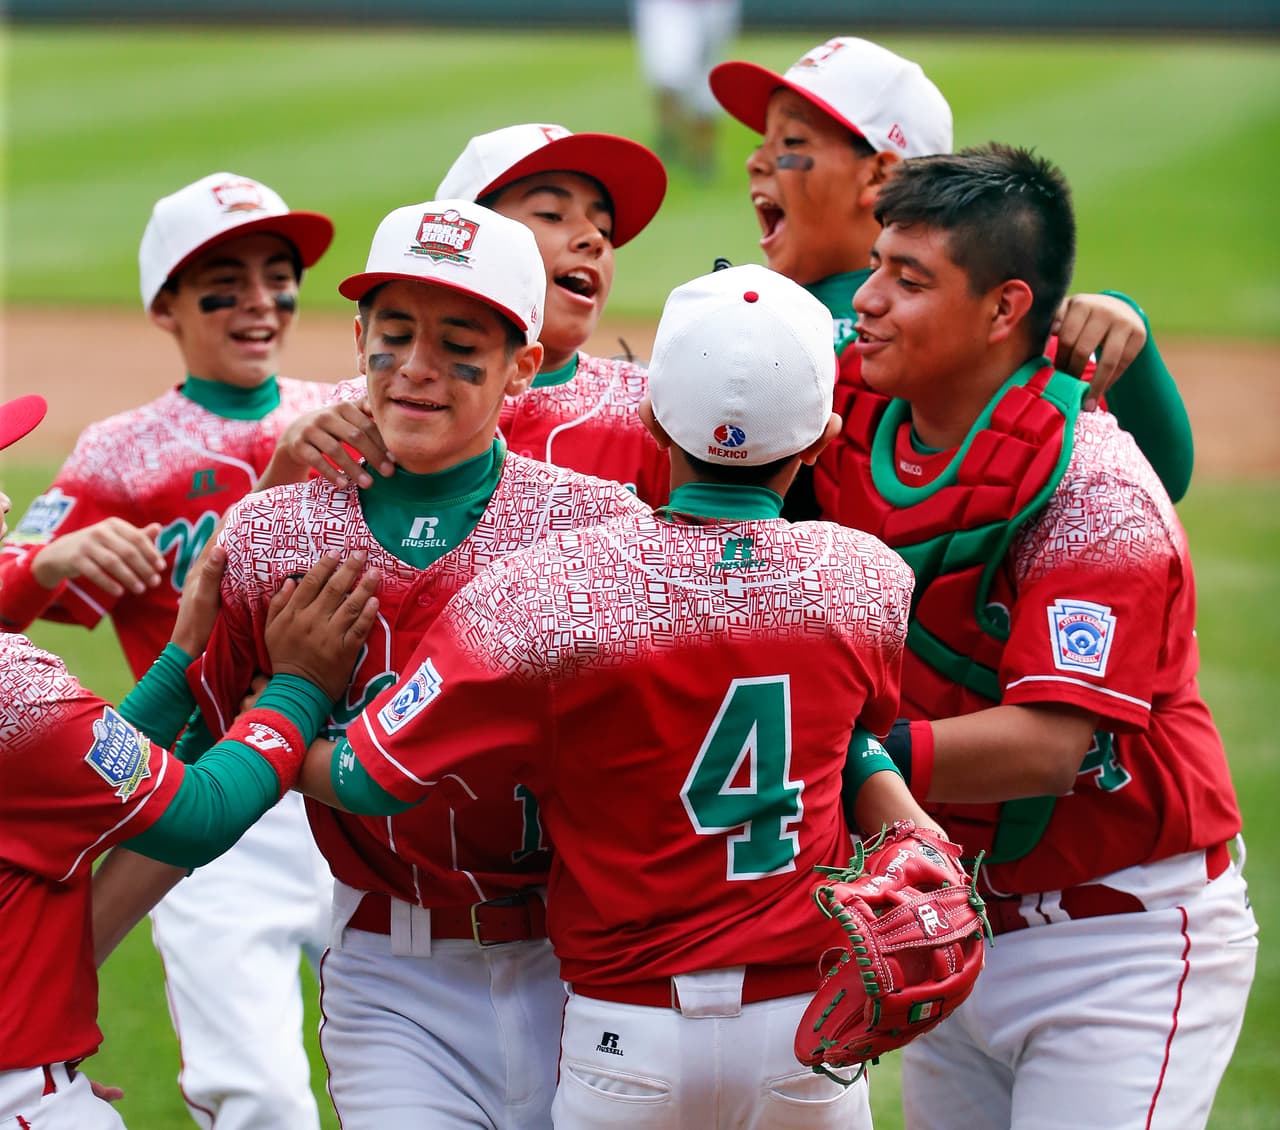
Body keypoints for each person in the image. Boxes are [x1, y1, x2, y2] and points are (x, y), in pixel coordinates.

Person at [296, 263, 937, 1129]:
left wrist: (284, 708)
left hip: (625, 1037)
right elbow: (852, 743)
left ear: (649, 420)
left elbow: (371, 781)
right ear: (822, 438)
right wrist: (914, 831)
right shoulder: (868, 581)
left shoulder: (553, 588)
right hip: (806, 1033)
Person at [184, 197, 651, 1129]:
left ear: (523, 364)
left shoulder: (601, 530)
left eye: (460, 340)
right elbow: (200, 768)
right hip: (392, 979)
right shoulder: (279, 534)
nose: (420, 369)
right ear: (357, 338)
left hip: (585, 965)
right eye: (394, 333)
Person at [841, 144, 1256, 1129]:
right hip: (954, 919)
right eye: (873, 266)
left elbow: (1045, 744)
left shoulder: (1093, 487)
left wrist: (841, 756)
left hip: (1115, 941)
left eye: (909, 280)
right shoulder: (849, 416)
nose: (867, 299)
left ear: (1002, 308)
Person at [0, 172, 341, 1130]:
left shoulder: (345, 412)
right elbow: (9, 584)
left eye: (279, 277)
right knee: (265, 1098)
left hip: (348, 785)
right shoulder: (118, 451)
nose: (261, 302)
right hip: (190, 793)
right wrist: (45, 562)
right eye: (222, 284)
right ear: (166, 305)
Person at [707, 36, 1195, 516]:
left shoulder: (943, 328)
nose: (756, 161)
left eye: (791, 142)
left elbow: (1155, 479)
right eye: (762, 142)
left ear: (880, 175)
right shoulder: (773, 311)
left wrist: (1127, 340)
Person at [273, 123, 671, 505]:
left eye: (604, 227)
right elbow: (237, 559)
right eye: (551, 214)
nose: (595, 239)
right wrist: (287, 462)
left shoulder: (649, 414)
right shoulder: (368, 413)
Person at [631, 0, 741, 176]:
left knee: (708, 84)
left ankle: (703, 155)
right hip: (669, 6)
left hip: (715, 7)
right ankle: (670, 140)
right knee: (669, 77)